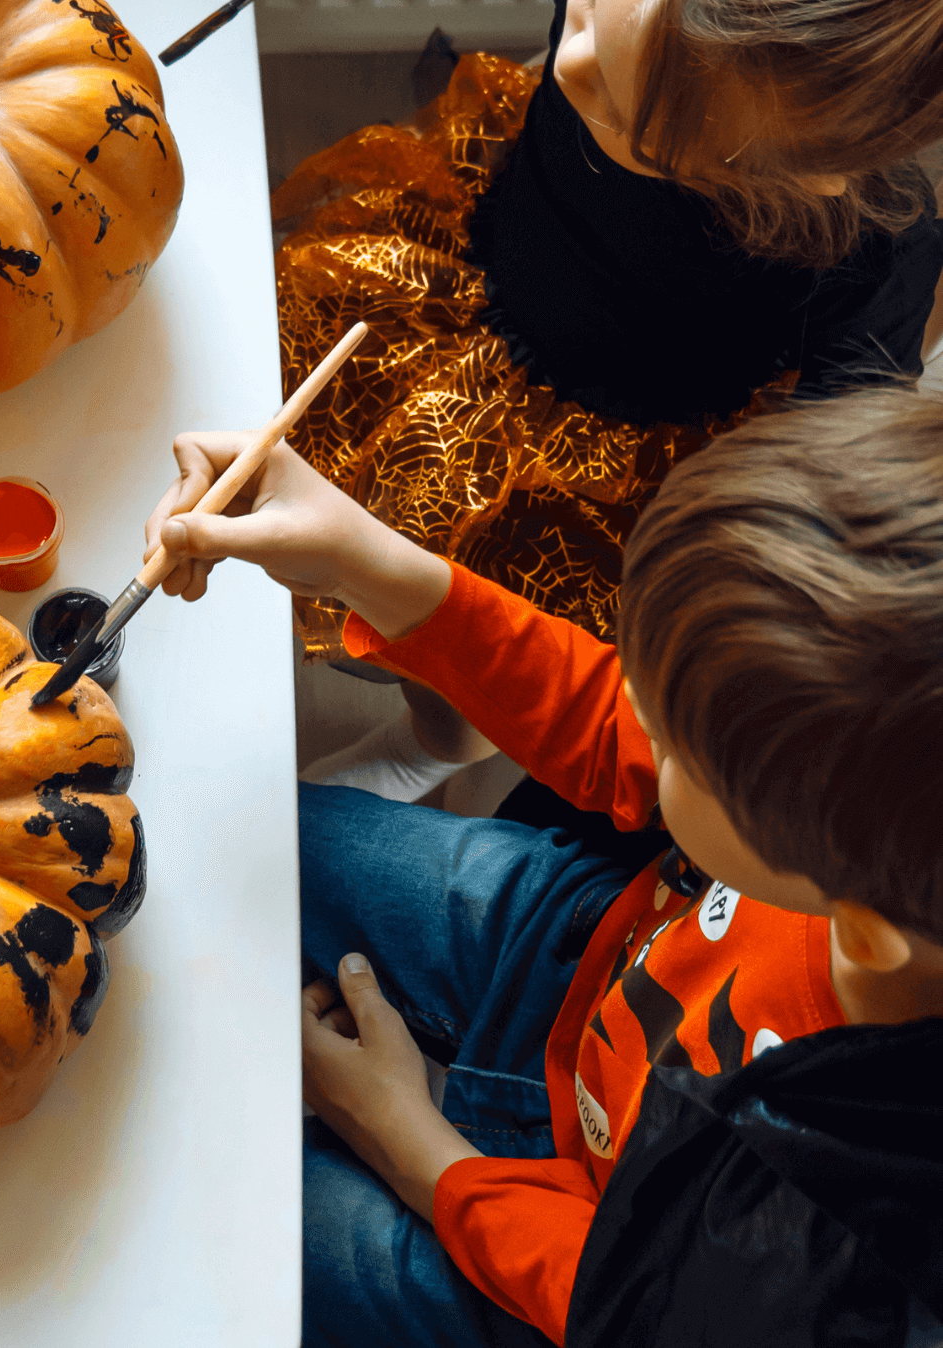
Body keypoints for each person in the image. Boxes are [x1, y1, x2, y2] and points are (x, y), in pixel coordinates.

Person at [143, 386, 943, 1347]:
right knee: (220, 833)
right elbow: (608, 719)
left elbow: (617, 1301)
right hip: (582, 951)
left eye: (679, 745)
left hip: (575, 1242)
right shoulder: (863, 829)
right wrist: (368, 560)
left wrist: (404, 1138)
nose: (638, 718)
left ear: (855, 924)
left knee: (223, 1218)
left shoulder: (819, 1248)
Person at [281, 0, 943, 804]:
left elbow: (837, 474)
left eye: (627, 115)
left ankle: (435, 740)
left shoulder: (878, 247)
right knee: (327, 458)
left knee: (460, 643)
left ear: (789, 179)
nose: (568, 61)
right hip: (463, 287)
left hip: (605, 467)